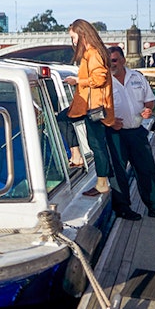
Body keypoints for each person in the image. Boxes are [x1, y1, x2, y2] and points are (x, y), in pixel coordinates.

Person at [104, 46, 155, 219]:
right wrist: (110, 121)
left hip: (137, 131)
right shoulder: (104, 82)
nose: (111, 64)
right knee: (118, 172)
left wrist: (147, 110)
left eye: (114, 60)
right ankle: (123, 209)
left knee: (147, 169)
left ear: (122, 60)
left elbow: (150, 100)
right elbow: (97, 108)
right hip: (115, 133)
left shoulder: (137, 77)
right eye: (108, 61)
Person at [63, 19, 117, 203]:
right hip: (91, 106)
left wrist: (77, 81)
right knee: (95, 142)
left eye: (74, 37)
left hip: (93, 107)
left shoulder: (93, 53)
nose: (73, 42)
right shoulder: (94, 52)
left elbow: (99, 78)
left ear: (82, 33)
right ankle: (77, 156)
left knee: (97, 145)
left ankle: (101, 182)